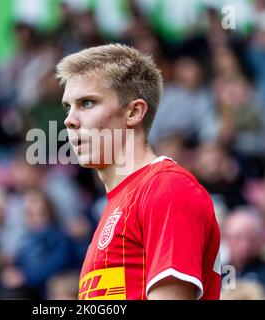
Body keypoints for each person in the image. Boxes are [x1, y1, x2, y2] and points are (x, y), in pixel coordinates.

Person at [56, 44, 221, 300]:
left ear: (133, 112)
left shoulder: (166, 187)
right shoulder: (119, 202)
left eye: (87, 103)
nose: (69, 119)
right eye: (68, 107)